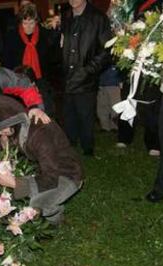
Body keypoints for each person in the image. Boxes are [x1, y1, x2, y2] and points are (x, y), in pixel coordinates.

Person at [0, 95, 83, 224]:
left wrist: (16, 184)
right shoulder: (19, 129)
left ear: (14, 122)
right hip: (45, 171)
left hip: (67, 174)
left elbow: (52, 177)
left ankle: (57, 222)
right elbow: (11, 151)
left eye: (1, 128)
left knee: (36, 203)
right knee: (12, 195)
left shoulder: (40, 133)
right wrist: (5, 144)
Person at [61, 0, 112, 156]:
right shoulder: (65, 16)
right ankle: (69, 145)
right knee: (68, 115)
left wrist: (88, 70)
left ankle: (87, 148)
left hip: (86, 78)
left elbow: (107, 50)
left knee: (85, 115)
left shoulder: (98, 18)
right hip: (66, 76)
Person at [3, 3, 58, 116]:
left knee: (46, 112)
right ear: (20, 22)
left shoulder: (44, 35)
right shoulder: (12, 37)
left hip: (42, 82)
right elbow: (7, 62)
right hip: (19, 81)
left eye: (31, 22)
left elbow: (53, 59)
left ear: (36, 22)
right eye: (25, 23)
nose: (28, 26)